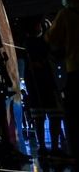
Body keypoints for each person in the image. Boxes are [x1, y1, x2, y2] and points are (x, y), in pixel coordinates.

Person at [46, 0, 79, 161]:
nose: (63, 0)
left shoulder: (66, 14)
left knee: (73, 116)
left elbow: (51, 38)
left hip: (75, 69)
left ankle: (74, 153)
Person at [24, 17, 64, 158]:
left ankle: (44, 146)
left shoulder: (28, 44)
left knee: (40, 118)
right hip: (47, 84)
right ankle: (53, 146)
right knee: (53, 116)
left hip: (36, 86)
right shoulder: (41, 43)